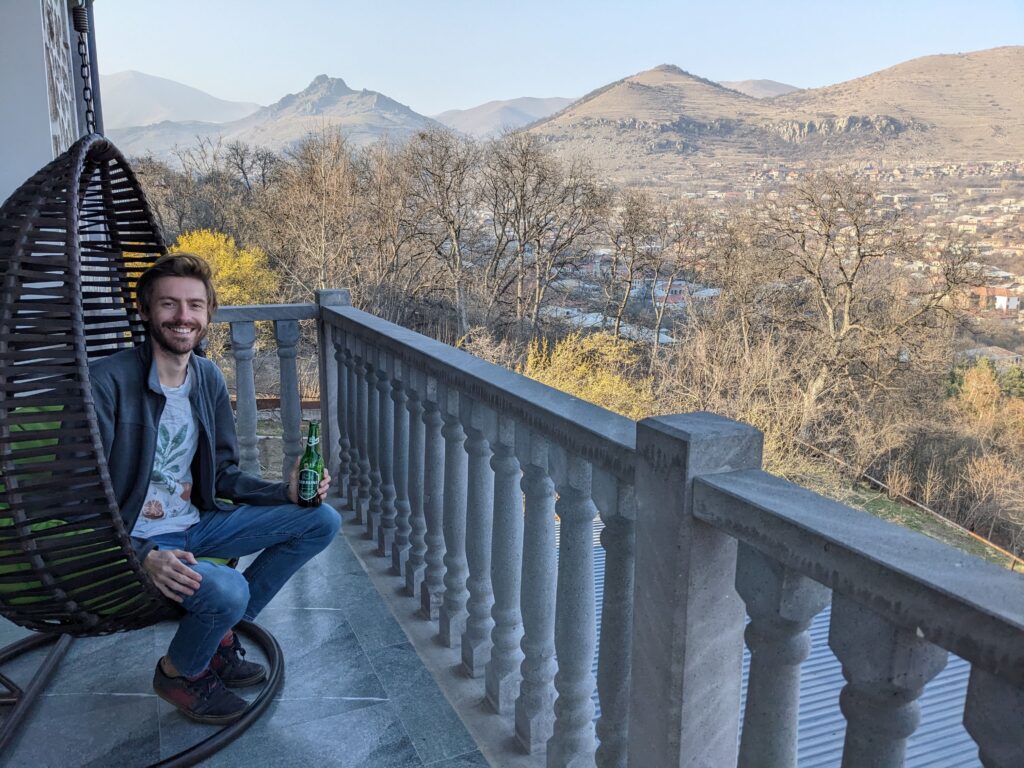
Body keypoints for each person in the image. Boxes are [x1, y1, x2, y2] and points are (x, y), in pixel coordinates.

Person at [89, 253, 341, 724]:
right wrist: (141, 552)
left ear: (208, 315)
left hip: (195, 525)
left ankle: (219, 636)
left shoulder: (204, 377)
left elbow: (223, 474)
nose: (183, 317)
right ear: (145, 311)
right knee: (226, 589)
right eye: (169, 304)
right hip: (139, 542)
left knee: (320, 520)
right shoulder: (106, 384)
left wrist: (281, 495)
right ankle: (179, 673)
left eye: (195, 306)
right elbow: (82, 498)